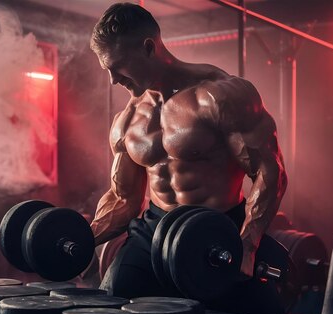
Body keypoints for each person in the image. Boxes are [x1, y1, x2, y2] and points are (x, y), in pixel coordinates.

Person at [88, 2, 287, 298]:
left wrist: (247, 245)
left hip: (214, 228)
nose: (113, 79)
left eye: (117, 66)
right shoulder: (127, 120)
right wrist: (82, 238)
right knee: (112, 308)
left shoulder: (219, 95)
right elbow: (124, 198)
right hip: (152, 231)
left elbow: (270, 172)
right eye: (107, 69)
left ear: (148, 47)